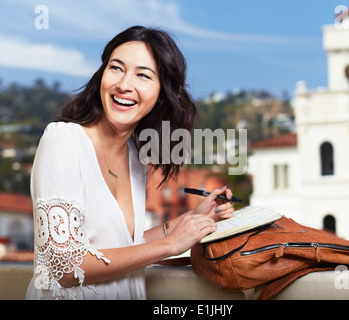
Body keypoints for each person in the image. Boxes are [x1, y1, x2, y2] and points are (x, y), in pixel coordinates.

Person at [25, 26, 235, 300]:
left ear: (161, 94)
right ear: (102, 75)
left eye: (143, 75)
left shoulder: (136, 157)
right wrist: (170, 245)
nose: (124, 84)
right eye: (116, 68)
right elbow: (66, 267)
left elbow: (122, 246)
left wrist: (191, 220)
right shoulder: (63, 140)